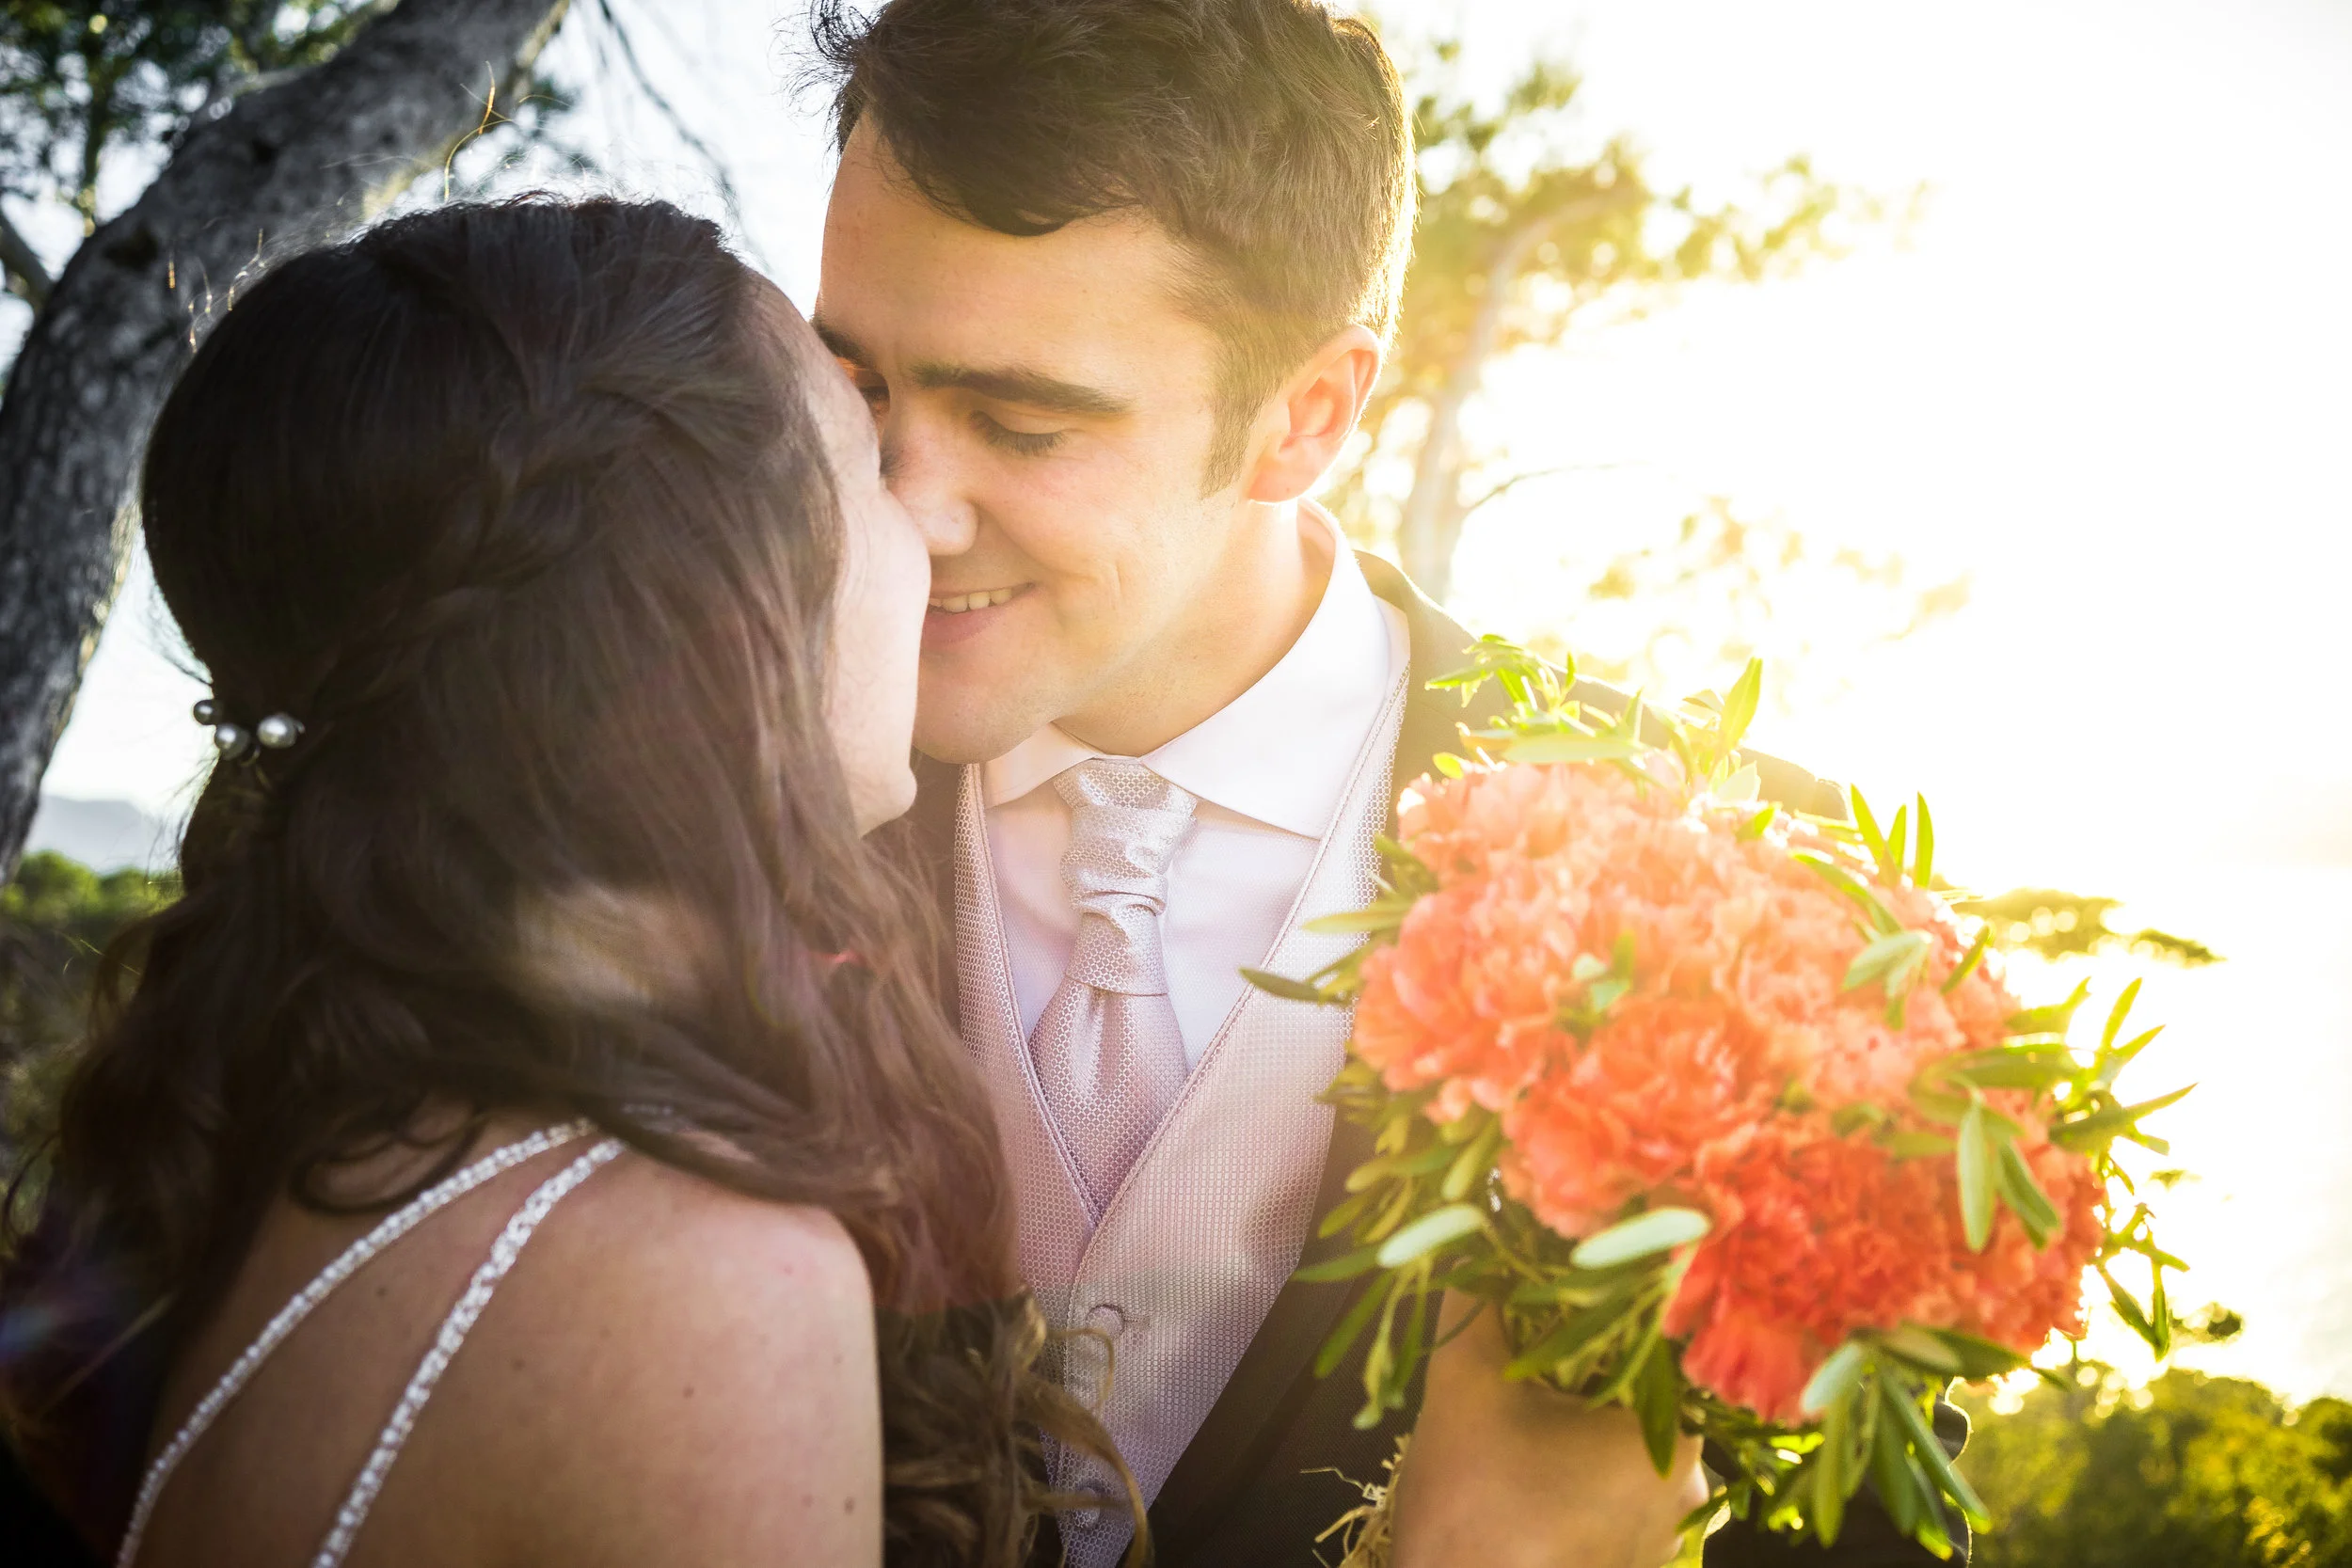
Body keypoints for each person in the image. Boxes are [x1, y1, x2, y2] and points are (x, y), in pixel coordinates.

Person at [807, 3, 1969, 1565]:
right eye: (859, 388)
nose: (907, 505)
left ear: (1309, 415)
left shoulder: (1766, 892)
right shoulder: (719, 811)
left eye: (1020, 422)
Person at [0, 197, 1136, 1567]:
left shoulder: (357, 1135)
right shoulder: (698, 1285)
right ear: (723, 591)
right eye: (860, 459)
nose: (929, 529)